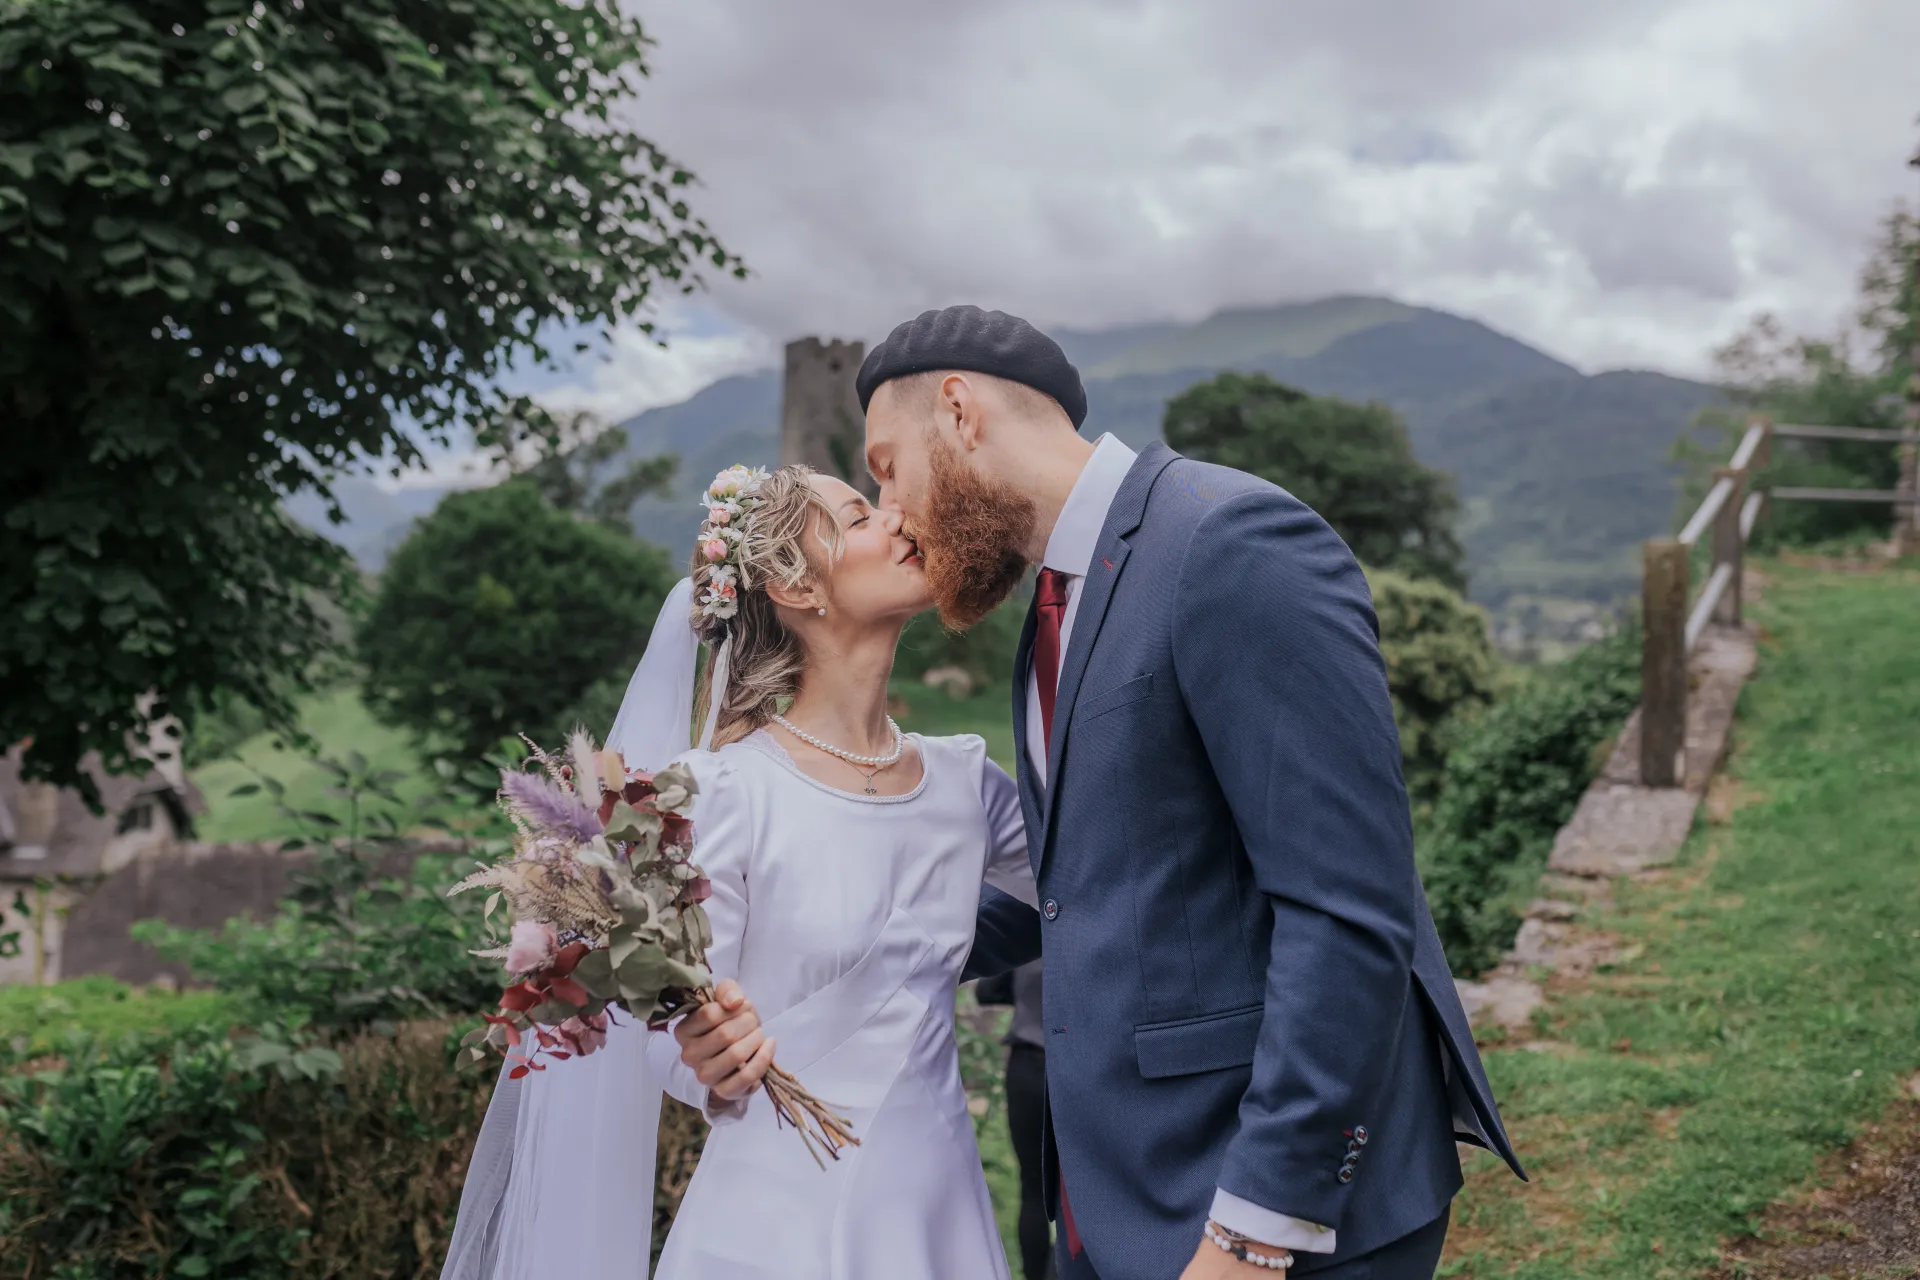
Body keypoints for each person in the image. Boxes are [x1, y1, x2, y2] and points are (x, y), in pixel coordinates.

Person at [680, 305, 1527, 1278]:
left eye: (885, 466)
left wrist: (1255, 1230)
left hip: (1272, 1218)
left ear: (958, 412)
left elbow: (1348, 909)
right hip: (1121, 1199)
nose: (892, 506)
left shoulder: (1227, 540)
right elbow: (1084, 886)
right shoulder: (1056, 602)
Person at [439, 464, 1036, 1280]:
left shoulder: (965, 781)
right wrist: (706, 1058)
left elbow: (1094, 890)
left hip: (939, 1219)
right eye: (860, 516)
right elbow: (674, 1036)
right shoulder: (724, 791)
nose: (900, 521)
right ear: (795, 585)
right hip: (772, 1227)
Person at [975, 959, 1053, 1280]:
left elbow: (987, 989)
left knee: (1032, 1185)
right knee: (1088, 1190)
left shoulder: (1027, 925)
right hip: (1081, 1066)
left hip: (1030, 1065)